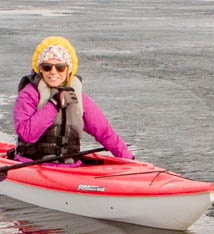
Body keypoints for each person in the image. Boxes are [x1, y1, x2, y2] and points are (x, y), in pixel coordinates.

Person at [12, 36, 131, 165]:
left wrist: (129, 160)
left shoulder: (77, 97)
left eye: (60, 67)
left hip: (69, 166)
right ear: (40, 68)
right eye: (47, 67)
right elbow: (27, 134)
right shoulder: (29, 94)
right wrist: (53, 104)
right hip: (32, 164)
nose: (53, 72)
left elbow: (104, 132)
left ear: (68, 69)